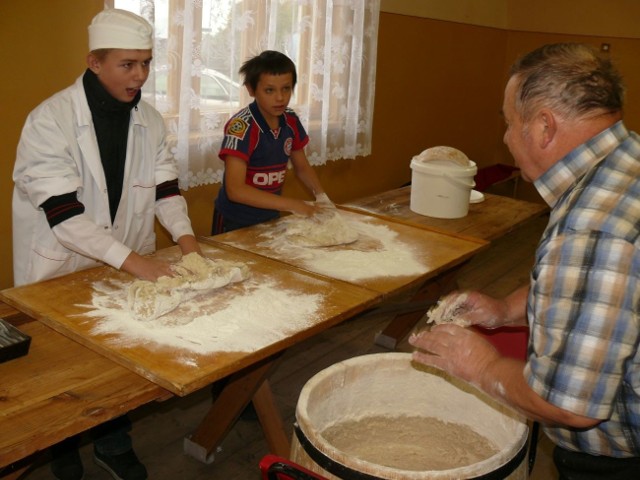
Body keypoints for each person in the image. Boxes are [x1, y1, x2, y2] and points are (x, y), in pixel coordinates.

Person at [410, 43, 639, 479]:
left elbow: (570, 405)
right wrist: (505, 310)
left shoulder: (591, 229)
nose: (505, 137)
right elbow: (600, 289)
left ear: (543, 128)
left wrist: (482, 366)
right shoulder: (626, 162)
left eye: (510, 122)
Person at [12, 8, 201, 480]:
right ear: (94, 62)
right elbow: (62, 214)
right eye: (127, 64)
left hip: (125, 257)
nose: (139, 75)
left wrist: (188, 241)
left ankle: (113, 443)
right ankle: (62, 448)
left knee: (121, 357)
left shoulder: (151, 121)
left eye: (147, 63)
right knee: (64, 365)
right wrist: (136, 263)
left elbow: (165, 190)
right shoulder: (50, 121)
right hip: (62, 261)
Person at [211, 50, 331, 235]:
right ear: (251, 90)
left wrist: (322, 196)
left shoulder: (290, 120)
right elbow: (235, 190)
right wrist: (294, 205)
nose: (280, 98)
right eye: (269, 90)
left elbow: (302, 167)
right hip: (234, 219)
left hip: (269, 214)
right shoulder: (242, 127)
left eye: (286, 88)